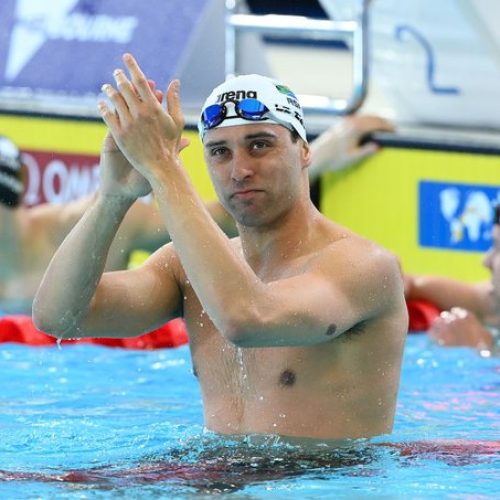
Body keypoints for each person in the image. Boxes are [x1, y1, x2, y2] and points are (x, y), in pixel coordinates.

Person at [33, 53, 407, 442]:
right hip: (217, 475)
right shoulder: (185, 269)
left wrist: (163, 168)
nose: (240, 170)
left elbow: (246, 318)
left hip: (319, 480)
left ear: (304, 150)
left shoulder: (362, 266)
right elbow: (59, 318)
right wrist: (113, 197)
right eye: (219, 152)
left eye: (260, 145)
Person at [405, 222, 500, 354]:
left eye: (497, 247)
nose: (486, 261)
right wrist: (402, 284)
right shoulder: (494, 302)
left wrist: (481, 348)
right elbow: (472, 296)